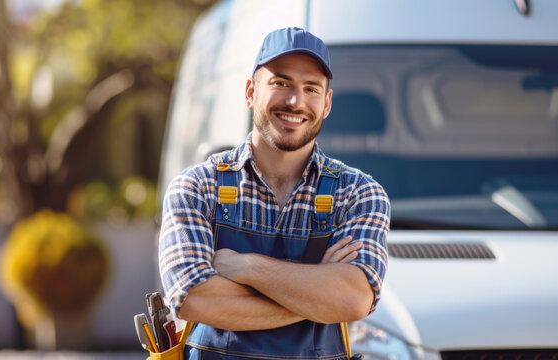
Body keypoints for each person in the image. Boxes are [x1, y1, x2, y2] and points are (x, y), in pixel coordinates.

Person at [159, 27, 390, 360]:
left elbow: (353, 300)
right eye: (281, 83)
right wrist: (319, 298)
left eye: (311, 88)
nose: (296, 101)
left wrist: (247, 267)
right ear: (251, 92)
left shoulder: (359, 194)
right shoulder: (196, 188)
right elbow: (195, 300)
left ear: (326, 104)